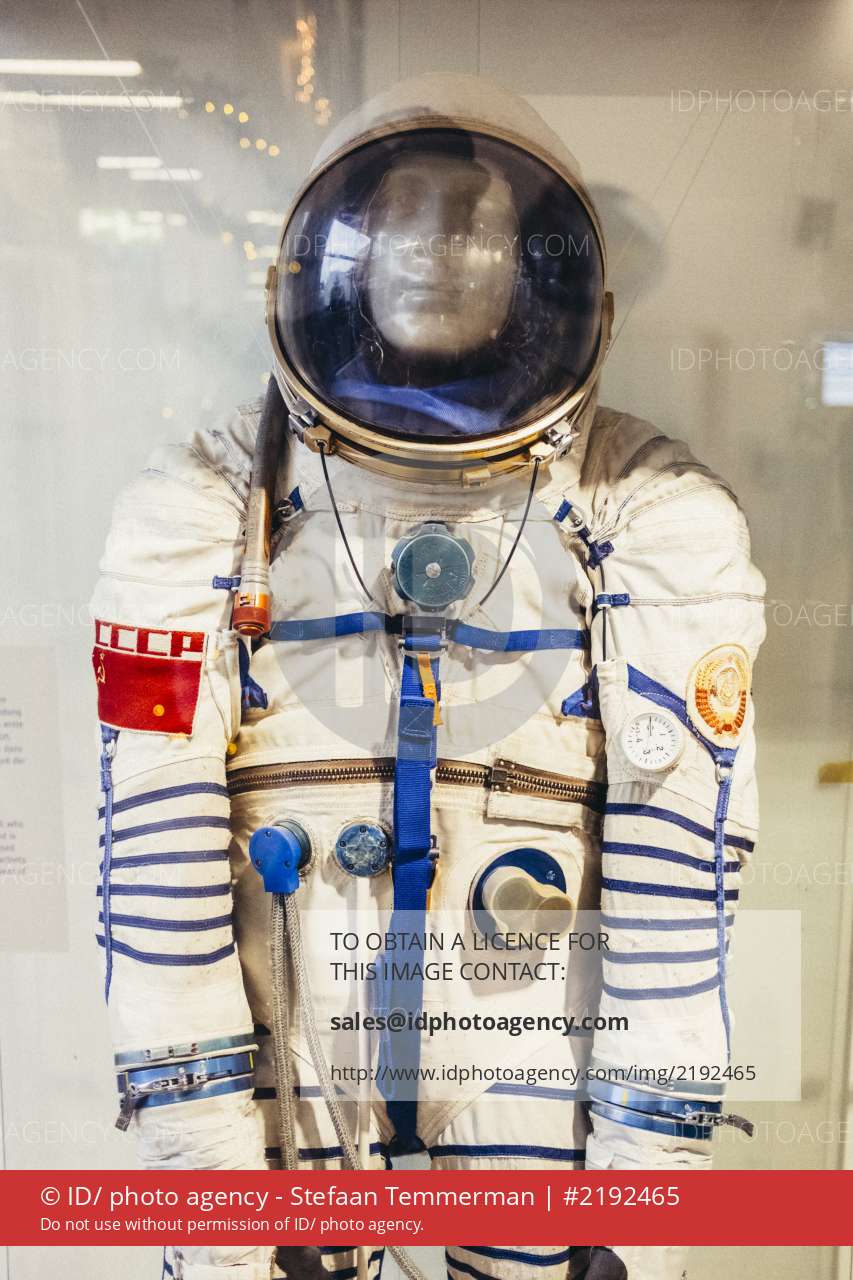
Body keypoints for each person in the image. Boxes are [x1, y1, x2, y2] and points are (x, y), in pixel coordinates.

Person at [90, 73, 766, 1280]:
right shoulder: (204, 503)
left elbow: (676, 892)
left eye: (474, 219)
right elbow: (157, 871)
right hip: (286, 1078)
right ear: (329, 254)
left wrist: (642, 1207)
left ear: (537, 264)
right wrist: (210, 1197)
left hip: (532, 1072)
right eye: (401, 212)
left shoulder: (647, 511)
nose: (436, 249)